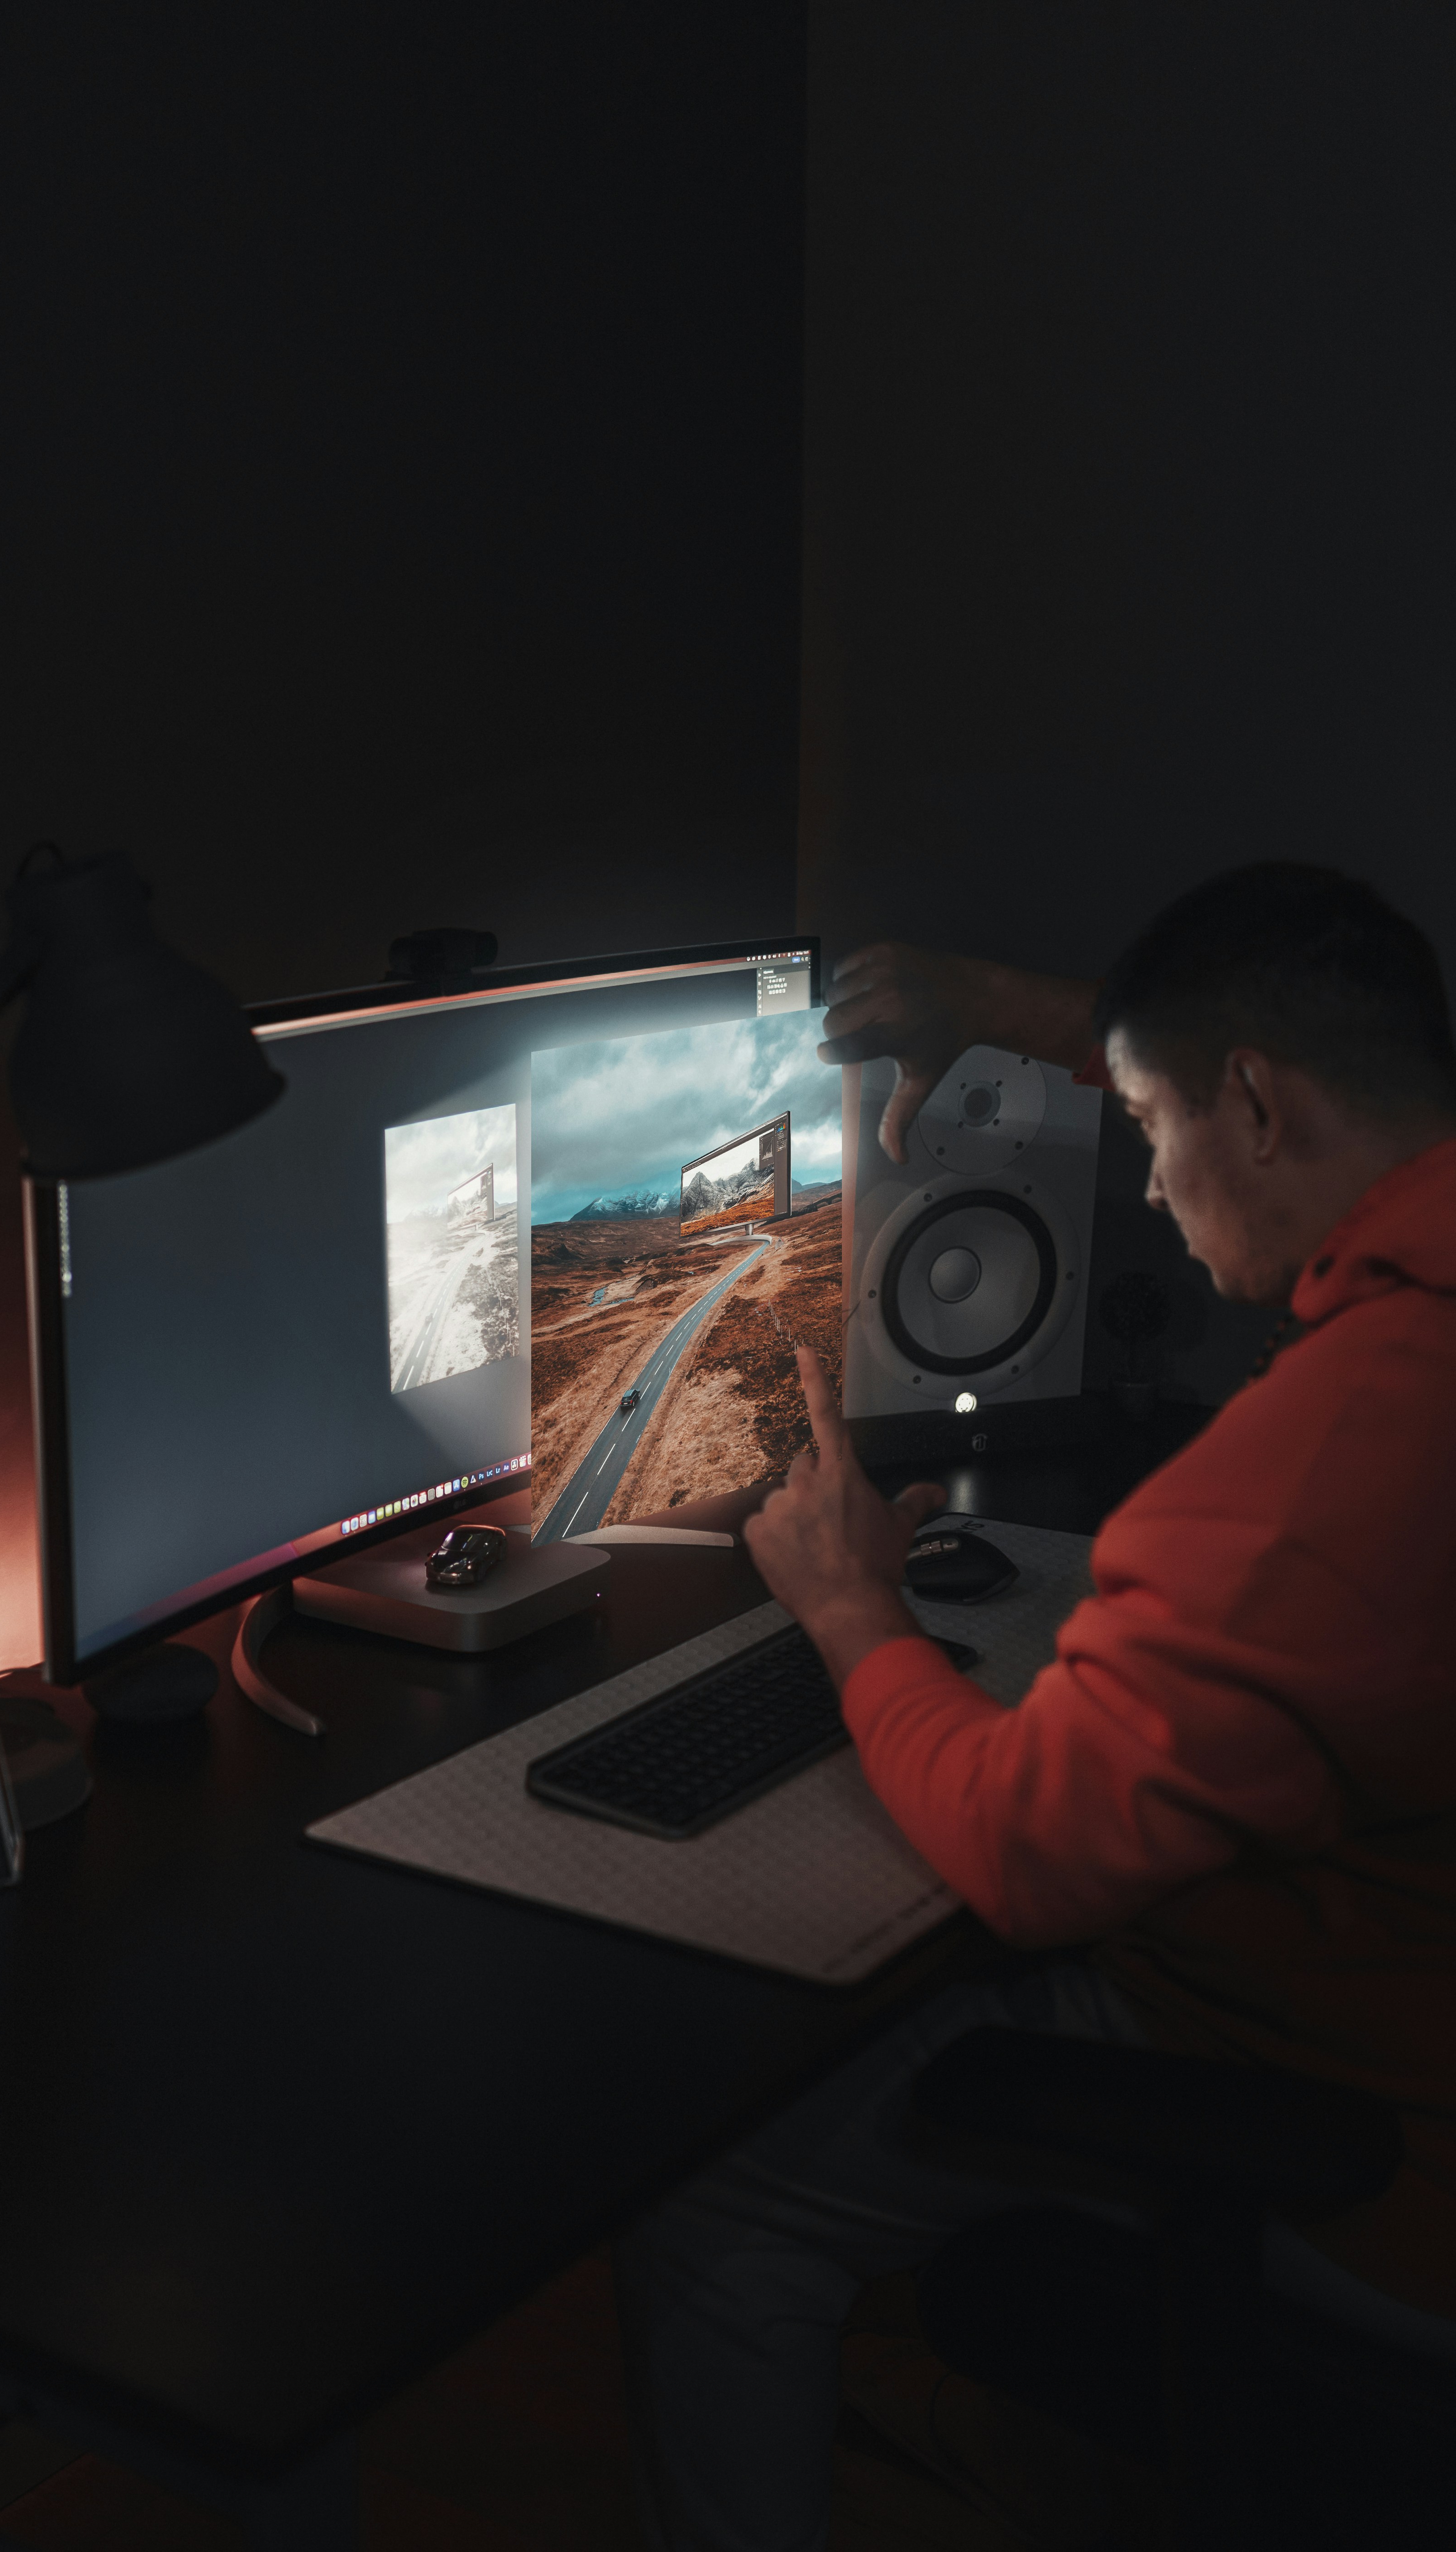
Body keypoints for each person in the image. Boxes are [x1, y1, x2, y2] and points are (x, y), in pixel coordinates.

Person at [615, 862, 1456, 2552]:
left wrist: (853, 1610)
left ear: (1255, 1106)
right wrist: (1022, 1015)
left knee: (714, 2207)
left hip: (1385, 2146)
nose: (1141, 1179)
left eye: (1145, 1123)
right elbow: (1249, 1057)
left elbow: (1024, 1855)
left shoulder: (1314, 1476)